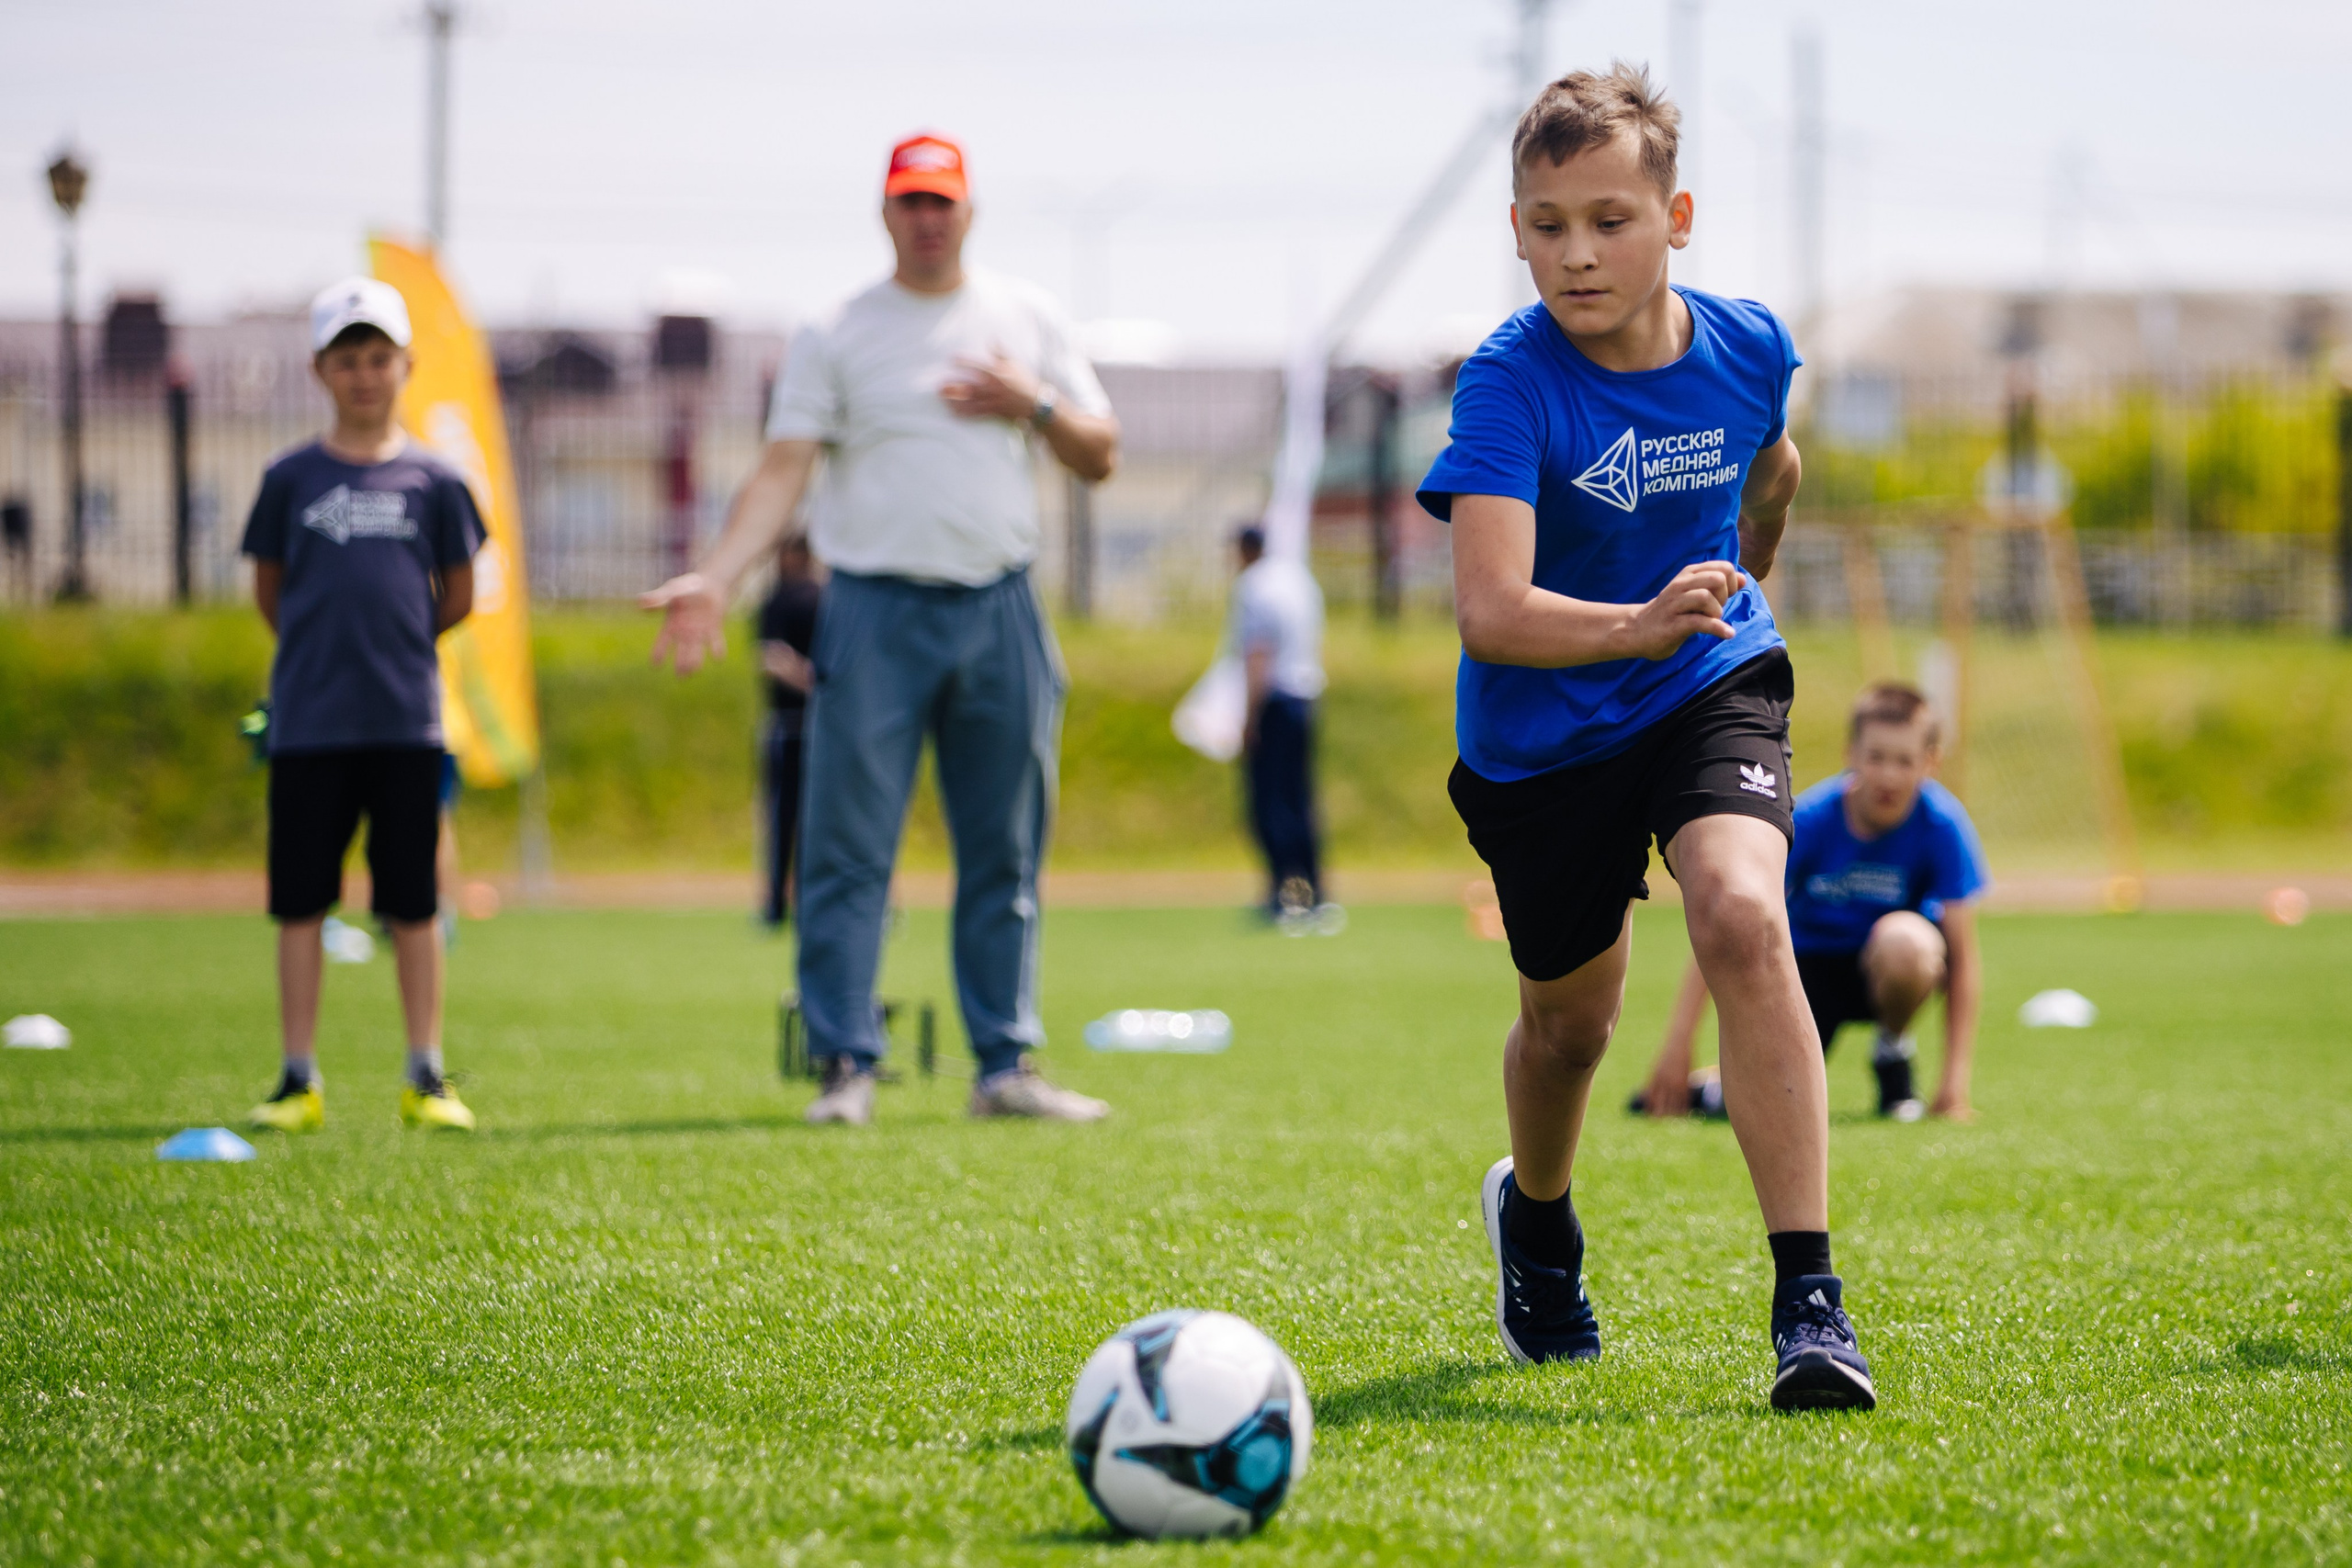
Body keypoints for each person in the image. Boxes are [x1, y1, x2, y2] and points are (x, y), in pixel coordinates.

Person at [1419, 64, 1875, 1409]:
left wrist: (1744, 583)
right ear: (1515, 230)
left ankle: (1811, 1305)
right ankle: (1540, 1221)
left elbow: (1771, 463)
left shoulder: (1749, 345)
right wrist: (1641, 620)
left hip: (1706, 679)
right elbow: (1493, 611)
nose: (1577, 253)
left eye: (1609, 220)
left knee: (1740, 910)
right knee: (1572, 1027)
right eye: (1548, 224)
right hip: (1544, 732)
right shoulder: (1507, 385)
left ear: (1677, 216)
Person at [640, 131, 1122, 1128]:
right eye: (910, 201)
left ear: (969, 210)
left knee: (1005, 846)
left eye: (942, 200)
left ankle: (1004, 1066)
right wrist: (718, 578)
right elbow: (783, 471)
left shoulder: (1023, 316)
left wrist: (1024, 401)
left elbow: (1100, 452)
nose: (927, 218)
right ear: (886, 212)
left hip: (1001, 604)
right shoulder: (836, 327)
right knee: (846, 848)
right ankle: (846, 1067)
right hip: (871, 608)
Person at [243, 276, 483, 1135]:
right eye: (348, 358)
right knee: (301, 900)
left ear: (406, 364)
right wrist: (320, 655)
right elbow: (272, 590)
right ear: (320, 370)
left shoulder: (436, 481)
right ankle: (297, 1076)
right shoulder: (289, 478)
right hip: (310, 725)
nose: (365, 374)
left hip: (405, 724)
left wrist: (401, 643)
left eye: (379, 357)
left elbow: (456, 592)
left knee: (412, 901)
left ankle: (426, 1073)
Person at [1634, 682, 1988, 1123]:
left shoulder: (1942, 824)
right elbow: (1733, 919)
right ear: (1851, 755)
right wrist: (1678, 1044)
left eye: (1905, 760)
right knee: (1761, 1107)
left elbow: (1963, 959)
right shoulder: (1810, 819)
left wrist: (1955, 1081)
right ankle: (1708, 1090)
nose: (1889, 775)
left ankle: (1892, 1053)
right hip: (1806, 976)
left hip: (1886, 973)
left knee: (1908, 944)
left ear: (1930, 763)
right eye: (1876, 757)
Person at [1226, 524, 1330, 922]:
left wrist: (1249, 717)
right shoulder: (1298, 579)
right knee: (1301, 798)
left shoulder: (1253, 585)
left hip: (1275, 700)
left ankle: (1284, 891)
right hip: (1306, 696)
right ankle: (1314, 890)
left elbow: (1258, 654)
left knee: (1270, 800)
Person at [756, 534, 824, 929]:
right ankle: (781, 904)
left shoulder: (790, 600)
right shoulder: (787, 599)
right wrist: (820, 685)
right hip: (797, 725)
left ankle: (792, 906)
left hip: (797, 726)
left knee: (800, 821)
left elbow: (772, 658)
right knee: (786, 820)